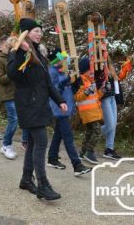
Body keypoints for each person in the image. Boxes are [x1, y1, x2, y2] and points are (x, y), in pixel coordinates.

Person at [7, 18, 66, 201]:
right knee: (41, 142)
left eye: (40, 31)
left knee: (33, 144)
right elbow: (12, 74)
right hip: (28, 106)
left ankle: (26, 179)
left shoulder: (39, 55)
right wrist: (19, 52)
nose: (40, 34)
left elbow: (47, 83)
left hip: (39, 105)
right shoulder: (17, 52)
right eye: (36, 31)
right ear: (26, 33)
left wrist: (60, 100)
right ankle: (43, 184)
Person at [46, 48, 92, 176]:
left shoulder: (62, 71)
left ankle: (52, 158)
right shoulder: (51, 72)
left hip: (66, 107)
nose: (65, 60)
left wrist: (75, 84)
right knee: (68, 137)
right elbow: (54, 91)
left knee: (58, 135)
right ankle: (77, 165)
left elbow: (68, 90)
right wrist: (66, 81)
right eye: (63, 58)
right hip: (58, 108)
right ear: (57, 59)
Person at [73, 57, 105, 165]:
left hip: (93, 111)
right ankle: (89, 152)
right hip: (87, 112)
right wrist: (86, 91)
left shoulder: (90, 80)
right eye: (90, 68)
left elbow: (95, 96)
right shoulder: (80, 80)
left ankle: (82, 153)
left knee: (89, 133)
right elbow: (77, 97)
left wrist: (103, 90)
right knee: (97, 132)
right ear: (85, 69)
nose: (92, 70)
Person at [0, 36, 19, 159]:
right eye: (6, 46)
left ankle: (10, 143)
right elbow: (0, 78)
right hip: (7, 94)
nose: (8, 48)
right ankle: (6, 144)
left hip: (15, 93)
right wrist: (12, 74)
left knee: (16, 119)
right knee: (13, 120)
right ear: (0, 46)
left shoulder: (9, 57)